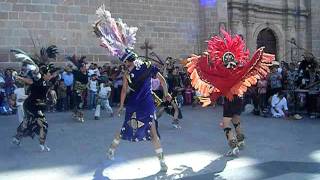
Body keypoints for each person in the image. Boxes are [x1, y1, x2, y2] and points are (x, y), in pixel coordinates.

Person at [93, 6, 170, 172]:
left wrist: (121, 106)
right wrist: (166, 93)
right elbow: (162, 80)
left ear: (128, 61)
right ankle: (162, 162)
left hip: (134, 104)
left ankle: (111, 150)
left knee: (124, 127)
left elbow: (123, 91)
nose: (124, 64)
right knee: (153, 131)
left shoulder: (127, 73)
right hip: (147, 103)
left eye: (125, 62)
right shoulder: (148, 66)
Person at [184, 29, 274, 156]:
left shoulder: (221, 74)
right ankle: (241, 141)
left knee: (226, 123)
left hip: (229, 100)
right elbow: (250, 65)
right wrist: (259, 53)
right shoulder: (238, 71)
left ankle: (233, 146)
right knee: (236, 120)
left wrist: (201, 59)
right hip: (239, 98)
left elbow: (207, 72)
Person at [11, 45, 59, 151]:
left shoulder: (48, 81)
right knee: (43, 124)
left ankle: (17, 137)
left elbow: (48, 87)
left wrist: (51, 92)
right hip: (31, 105)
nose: (52, 75)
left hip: (38, 105)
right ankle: (42, 144)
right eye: (49, 73)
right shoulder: (39, 79)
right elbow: (30, 81)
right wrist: (18, 77)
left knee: (28, 123)